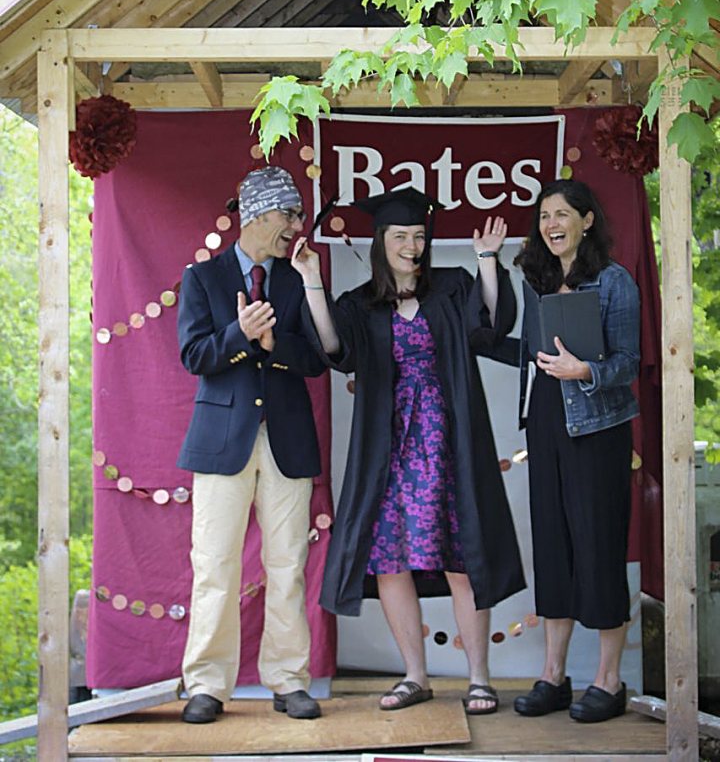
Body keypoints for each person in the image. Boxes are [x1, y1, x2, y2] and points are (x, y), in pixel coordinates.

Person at [292, 186, 525, 714]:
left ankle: (479, 679)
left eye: (419, 236)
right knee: (392, 558)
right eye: (400, 236)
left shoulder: (450, 286)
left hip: (448, 439)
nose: (412, 245)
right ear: (381, 241)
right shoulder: (360, 303)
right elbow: (334, 348)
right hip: (388, 445)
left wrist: (488, 259)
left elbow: (489, 326)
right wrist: (311, 282)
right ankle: (415, 675)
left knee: (461, 554)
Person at [177, 166, 326, 724]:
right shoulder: (203, 279)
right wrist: (240, 336)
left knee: (287, 564)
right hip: (221, 444)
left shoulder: (297, 279)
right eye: (289, 215)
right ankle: (208, 686)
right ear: (258, 215)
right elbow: (195, 357)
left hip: (286, 440)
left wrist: (272, 341)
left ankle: (289, 681)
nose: (295, 226)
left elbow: (316, 359)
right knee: (214, 566)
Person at [508, 179, 640, 723]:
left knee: (598, 545)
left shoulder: (615, 282)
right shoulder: (535, 281)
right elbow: (526, 351)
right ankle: (553, 676)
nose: (551, 223)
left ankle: (609, 681)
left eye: (562, 213)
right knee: (553, 547)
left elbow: (629, 363)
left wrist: (585, 371)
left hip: (598, 430)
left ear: (587, 221)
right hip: (545, 424)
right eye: (544, 215)